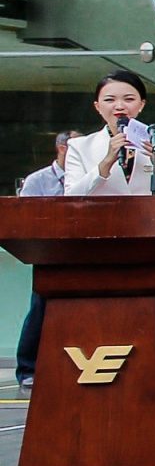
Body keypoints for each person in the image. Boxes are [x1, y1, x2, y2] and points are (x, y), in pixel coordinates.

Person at [63, 70, 155, 196]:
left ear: (141, 104)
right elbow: (70, 197)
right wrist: (106, 162)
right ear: (98, 106)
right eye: (110, 100)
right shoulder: (80, 147)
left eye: (129, 99)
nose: (119, 106)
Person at [13, 132, 71, 389]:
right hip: (49, 254)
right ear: (61, 148)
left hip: (81, 253)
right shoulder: (38, 180)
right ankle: (27, 368)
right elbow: (25, 217)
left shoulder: (87, 177)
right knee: (40, 310)